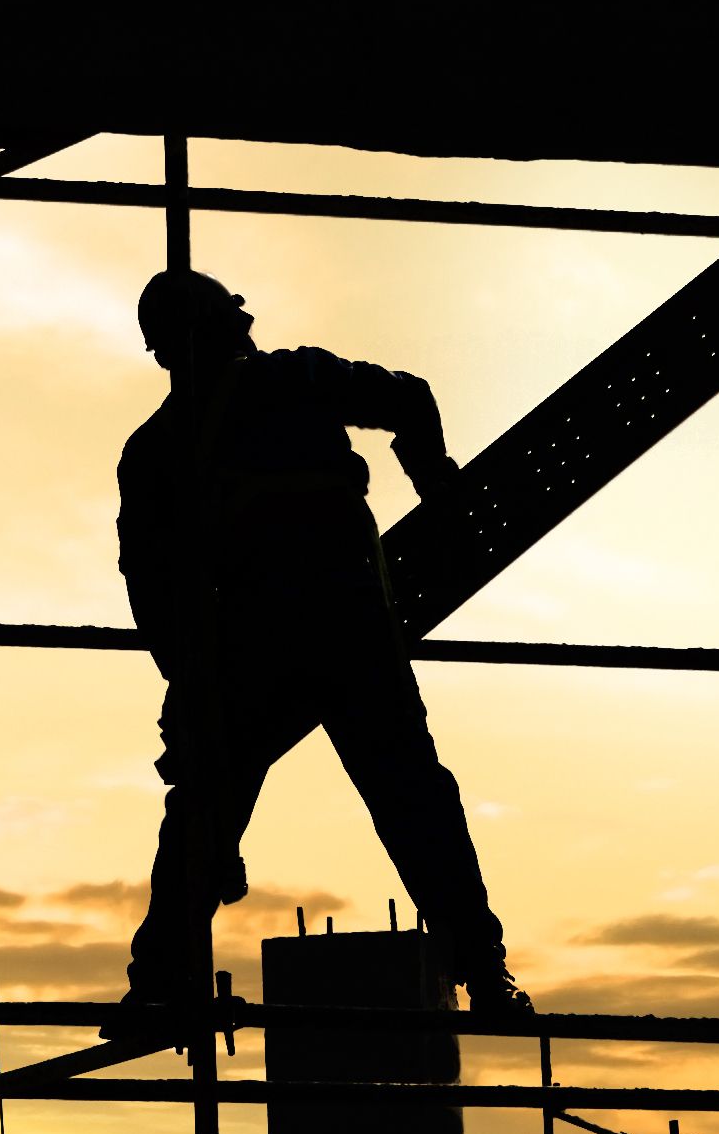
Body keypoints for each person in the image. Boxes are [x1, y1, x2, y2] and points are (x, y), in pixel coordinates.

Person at [111, 268, 528, 1020]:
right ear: (222, 330)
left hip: (258, 649)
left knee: (206, 811)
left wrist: (189, 684)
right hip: (343, 632)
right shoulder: (289, 382)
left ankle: (161, 983)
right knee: (412, 799)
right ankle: (483, 970)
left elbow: (151, 589)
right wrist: (441, 494)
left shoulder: (157, 449)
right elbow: (410, 398)